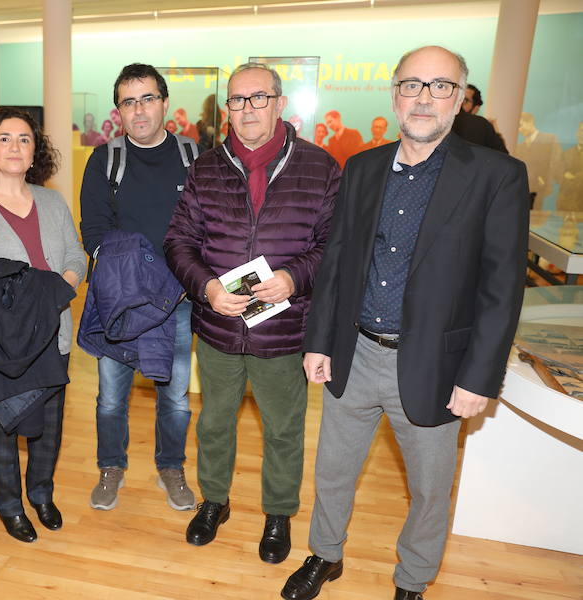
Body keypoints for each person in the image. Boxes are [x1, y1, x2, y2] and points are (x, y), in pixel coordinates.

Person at [282, 46, 529, 600]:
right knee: (333, 473)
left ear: (460, 99)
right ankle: (325, 554)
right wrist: (319, 340)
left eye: (440, 86)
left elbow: (501, 289)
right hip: (354, 353)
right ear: (394, 94)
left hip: (436, 367)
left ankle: (412, 581)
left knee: (429, 490)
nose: (423, 97)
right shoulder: (363, 168)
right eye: (412, 85)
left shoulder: (497, 176)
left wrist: (479, 378)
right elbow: (339, 261)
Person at [164, 62, 339, 563]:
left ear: (281, 104)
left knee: (284, 428)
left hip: (283, 330)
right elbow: (178, 241)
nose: (246, 110)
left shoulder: (320, 167)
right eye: (236, 101)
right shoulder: (205, 167)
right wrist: (207, 288)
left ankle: (279, 513)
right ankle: (214, 501)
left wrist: (294, 277)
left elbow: (333, 247)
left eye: (257, 98)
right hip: (219, 327)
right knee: (215, 421)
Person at [0, 107, 86, 542]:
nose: (14, 147)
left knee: (49, 425)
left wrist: (58, 287)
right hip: (0, 339)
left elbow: (75, 257)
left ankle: (41, 494)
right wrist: (45, 288)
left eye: (24, 139)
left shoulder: (51, 201)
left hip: (53, 331)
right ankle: (10, 507)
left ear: (35, 152)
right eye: (4, 138)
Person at [80, 63, 198, 512]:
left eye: (148, 98)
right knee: (111, 397)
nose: (140, 110)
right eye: (129, 102)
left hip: (179, 301)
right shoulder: (105, 159)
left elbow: (205, 226)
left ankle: (171, 467)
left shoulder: (193, 156)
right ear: (119, 111)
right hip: (121, 300)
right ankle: (111, 467)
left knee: (176, 397)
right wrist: (134, 275)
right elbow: (93, 232)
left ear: (164, 103)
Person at [516, 113, 562, 209]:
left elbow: (556, 161)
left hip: (541, 189)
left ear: (530, 122)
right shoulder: (520, 146)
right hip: (523, 188)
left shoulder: (549, 139)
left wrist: (545, 180)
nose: (519, 129)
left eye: (520, 125)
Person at [451, 83, 507, 153]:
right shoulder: (445, 120)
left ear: (476, 108)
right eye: (458, 97)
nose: (460, 102)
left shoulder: (481, 126)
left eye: (465, 100)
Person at [557, 122, 583, 212]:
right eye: (580, 131)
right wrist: (564, 175)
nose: (581, 134)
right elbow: (558, 174)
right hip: (566, 202)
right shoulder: (567, 153)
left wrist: (576, 177)